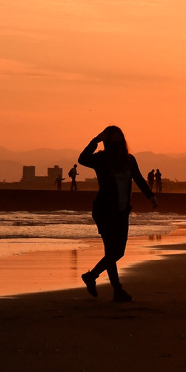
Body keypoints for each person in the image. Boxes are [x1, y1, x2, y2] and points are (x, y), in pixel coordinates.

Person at [78, 126, 157, 302]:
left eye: (118, 136)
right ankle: (117, 290)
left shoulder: (129, 160)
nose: (116, 139)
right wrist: (95, 140)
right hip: (104, 210)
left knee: (118, 252)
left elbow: (138, 178)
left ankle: (91, 277)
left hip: (122, 212)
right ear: (107, 140)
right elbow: (82, 159)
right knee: (111, 250)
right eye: (111, 137)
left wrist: (150, 196)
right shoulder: (101, 159)